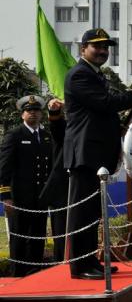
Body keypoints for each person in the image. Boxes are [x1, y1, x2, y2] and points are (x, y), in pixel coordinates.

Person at [64, 28, 132, 280]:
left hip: (96, 152)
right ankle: (80, 267)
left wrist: (117, 125)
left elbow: (101, 112)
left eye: (106, 47)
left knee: (93, 212)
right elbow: (105, 103)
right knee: (82, 212)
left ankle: (91, 261)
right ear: (83, 50)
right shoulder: (80, 74)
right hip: (84, 153)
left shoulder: (96, 75)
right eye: (97, 47)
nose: (103, 51)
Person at [0, 95, 52, 276]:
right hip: (20, 197)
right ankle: (18, 274)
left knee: (38, 236)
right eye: (29, 111)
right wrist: (6, 196)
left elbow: (50, 167)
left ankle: (36, 271)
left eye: (37, 111)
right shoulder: (14, 135)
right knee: (19, 236)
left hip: (40, 197)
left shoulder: (46, 137)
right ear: (22, 114)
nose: (34, 114)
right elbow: (4, 168)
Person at [38, 98, 68, 262]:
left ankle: (85, 261)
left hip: (83, 188)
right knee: (61, 232)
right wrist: (54, 111)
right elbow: (57, 127)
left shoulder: (86, 127)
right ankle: (61, 263)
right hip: (61, 191)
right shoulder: (63, 129)